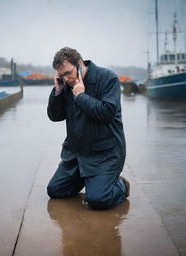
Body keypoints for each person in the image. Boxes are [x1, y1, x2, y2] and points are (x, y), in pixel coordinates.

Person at [46, 47, 130, 210]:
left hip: (104, 154)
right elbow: (55, 116)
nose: (67, 78)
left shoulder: (107, 78)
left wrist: (81, 96)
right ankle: (93, 181)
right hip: (76, 155)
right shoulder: (65, 85)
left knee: (98, 200)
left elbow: (107, 114)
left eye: (69, 72)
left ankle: (120, 185)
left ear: (79, 64)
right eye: (61, 75)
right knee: (55, 190)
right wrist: (57, 91)